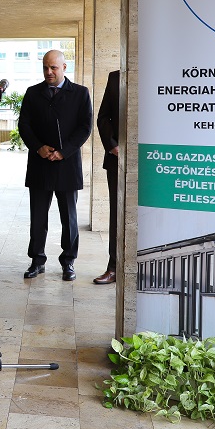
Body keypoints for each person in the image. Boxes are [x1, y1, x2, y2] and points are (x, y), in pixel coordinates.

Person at [17, 50, 92, 281]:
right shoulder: (32, 93)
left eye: (53, 68)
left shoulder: (80, 93)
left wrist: (63, 151)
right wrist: (38, 147)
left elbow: (85, 127)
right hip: (40, 163)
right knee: (38, 217)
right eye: (45, 68)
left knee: (69, 218)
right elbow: (24, 125)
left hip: (67, 164)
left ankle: (68, 261)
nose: (49, 72)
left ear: (64, 67)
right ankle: (37, 260)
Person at [94, 69, 120, 284]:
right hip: (117, 159)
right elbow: (103, 117)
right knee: (116, 214)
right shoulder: (115, 77)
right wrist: (112, 146)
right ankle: (113, 267)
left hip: (156, 159)